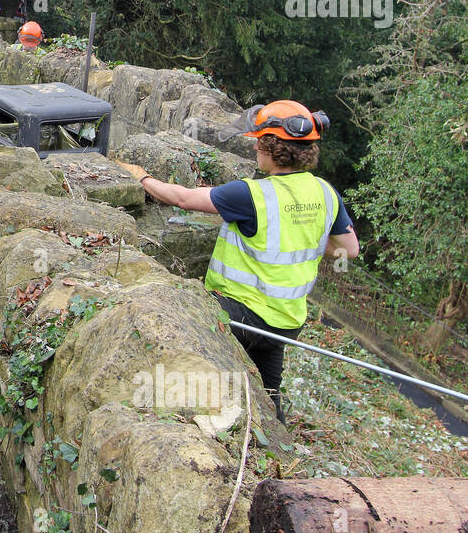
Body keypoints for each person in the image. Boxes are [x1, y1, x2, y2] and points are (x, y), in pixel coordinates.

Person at [119, 100, 360, 421]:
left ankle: (195, 419)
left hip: (239, 317)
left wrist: (141, 178)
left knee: (187, 333)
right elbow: (349, 248)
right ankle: (275, 446)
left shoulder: (251, 195)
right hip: (286, 322)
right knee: (268, 393)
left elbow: (183, 198)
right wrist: (306, 235)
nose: (256, 147)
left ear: (270, 147)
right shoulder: (326, 193)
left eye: (259, 140)